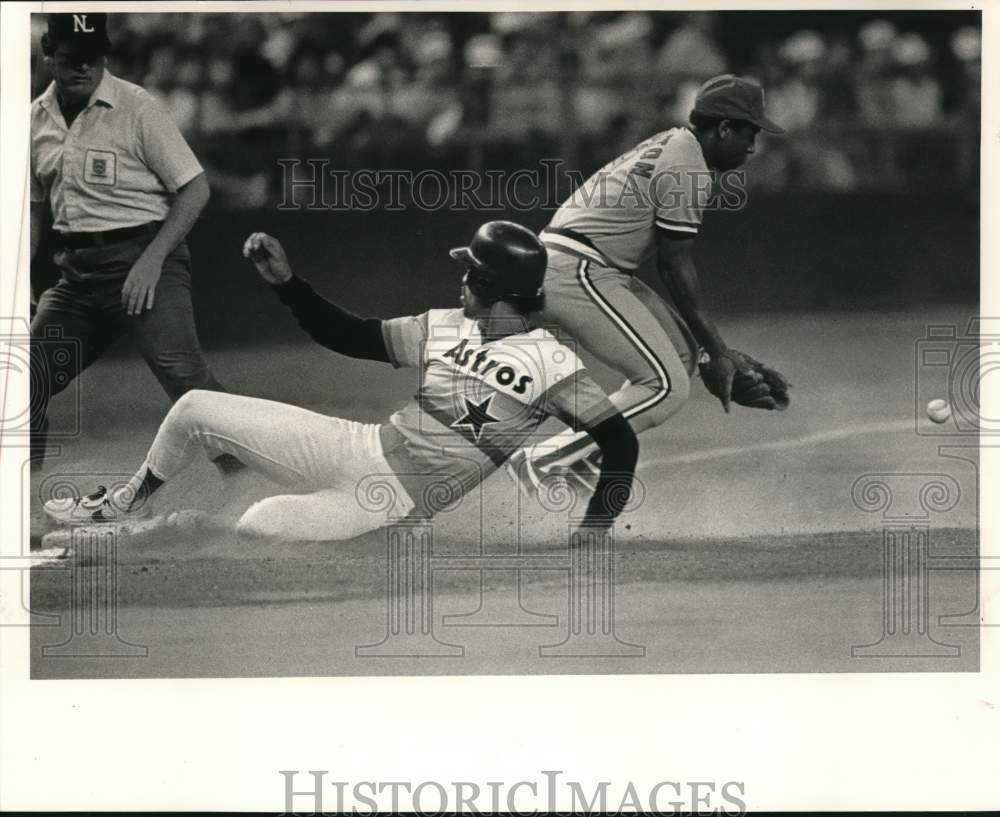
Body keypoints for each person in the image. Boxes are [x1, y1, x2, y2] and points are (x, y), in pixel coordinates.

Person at [43, 222, 639, 542]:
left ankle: (161, 532)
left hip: (389, 502)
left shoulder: (551, 362)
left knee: (258, 526)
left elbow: (620, 441)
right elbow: (350, 336)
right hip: (354, 446)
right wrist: (287, 284)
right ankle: (118, 507)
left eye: (469, 273)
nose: (460, 281)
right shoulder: (445, 324)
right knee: (197, 406)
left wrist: (596, 525)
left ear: (493, 285)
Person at [509, 74, 791, 492]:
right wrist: (718, 349)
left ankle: (581, 455)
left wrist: (710, 354)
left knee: (679, 359)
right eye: (748, 133)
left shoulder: (676, 144)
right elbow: (675, 265)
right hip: (578, 267)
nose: (752, 146)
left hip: (585, 263)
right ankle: (544, 460)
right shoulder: (686, 163)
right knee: (666, 386)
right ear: (725, 127)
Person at [29, 13, 240, 473]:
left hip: (145, 259)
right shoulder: (34, 118)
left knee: (189, 384)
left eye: (94, 57)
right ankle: (19, 504)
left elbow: (195, 187)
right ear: (48, 54)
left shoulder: (136, 105)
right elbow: (33, 206)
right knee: (22, 383)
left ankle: (255, 486)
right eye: (71, 58)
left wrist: (151, 261)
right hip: (77, 277)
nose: (84, 67)